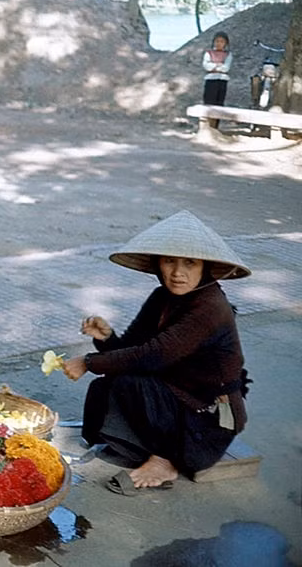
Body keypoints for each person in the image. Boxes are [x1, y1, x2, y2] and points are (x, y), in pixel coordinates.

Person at [61, 210, 250, 494]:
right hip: (174, 395)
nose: (177, 273)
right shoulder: (162, 297)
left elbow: (152, 356)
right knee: (108, 385)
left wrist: (89, 362)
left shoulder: (211, 307)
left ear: (205, 267)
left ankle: (166, 460)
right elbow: (133, 349)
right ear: (157, 264)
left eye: (190, 262)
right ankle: (148, 448)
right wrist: (107, 339)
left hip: (207, 419)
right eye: (169, 261)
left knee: (129, 384)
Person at [202, 31, 232, 129]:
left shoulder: (228, 54)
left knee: (219, 102)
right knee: (209, 101)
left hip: (222, 80)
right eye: (217, 41)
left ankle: (215, 126)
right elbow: (206, 66)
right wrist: (218, 65)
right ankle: (207, 125)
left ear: (226, 43)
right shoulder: (208, 53)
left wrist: (214, 67)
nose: (219, 43)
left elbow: (226, 68)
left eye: (222, 41)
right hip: (210, 80)